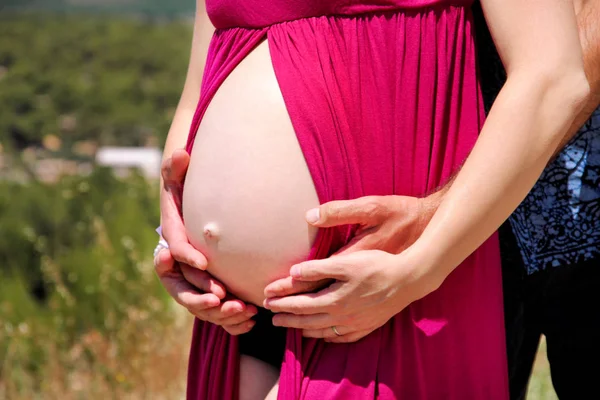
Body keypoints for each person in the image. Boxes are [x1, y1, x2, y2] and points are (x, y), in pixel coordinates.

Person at [155, 0, 590, 399]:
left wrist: (418, 268)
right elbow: (202, 80)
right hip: (235, 319)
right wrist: (175, 230)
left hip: (387, 286)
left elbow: (551, 74)